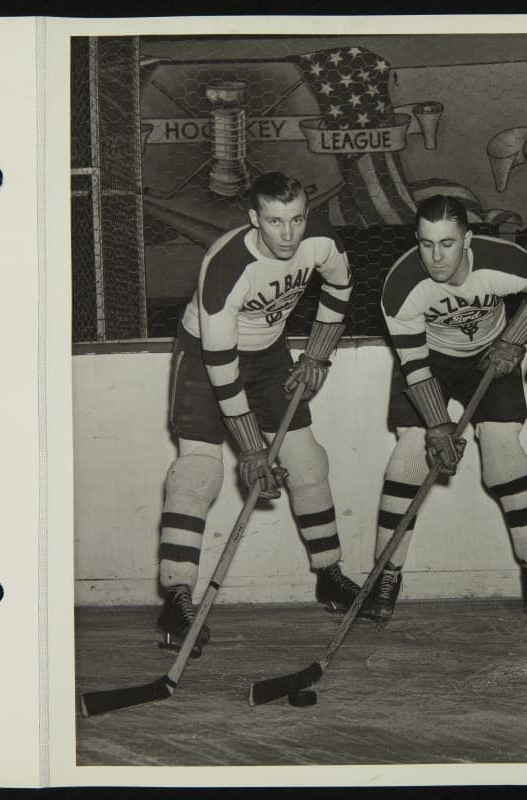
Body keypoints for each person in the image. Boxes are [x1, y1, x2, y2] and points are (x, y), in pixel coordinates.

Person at [156, 171, 363, 656]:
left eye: (295, 220)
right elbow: (222, 366)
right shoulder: (227, 266)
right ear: (255, 219)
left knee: (308, 462)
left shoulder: (320, 241)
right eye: (275, 221)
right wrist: (251, 449)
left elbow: (340, 287)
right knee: (198, 472)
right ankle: (178, 599)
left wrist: (317, 353)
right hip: (206, 358)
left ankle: (330, 576)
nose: (288, 234)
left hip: (271, 354)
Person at [372, 194, 527, 624]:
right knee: (410, 455)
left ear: (467, 240)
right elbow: (413, 363)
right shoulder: (401, 287)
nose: (436, 256)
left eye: (447, 244)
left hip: (492, 354)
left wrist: (515, 338)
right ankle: (384, 572)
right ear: (416, 240)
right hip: (430, 360)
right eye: (427, 244)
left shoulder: (502, 260)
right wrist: (436, 424)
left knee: (503, 456)